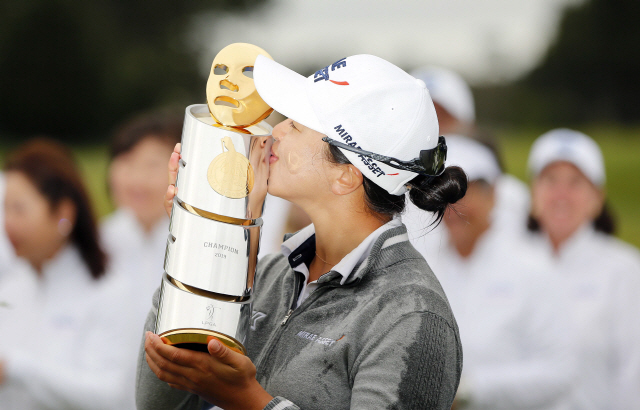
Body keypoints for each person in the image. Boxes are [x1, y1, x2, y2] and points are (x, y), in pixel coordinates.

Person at [136, 54, 468, 410]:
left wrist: (247, 399)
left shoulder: (413, 315)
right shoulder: (269, 274)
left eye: (295, 125)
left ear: (347, 175)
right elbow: (159, 401)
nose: (275, 131)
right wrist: (204, 228)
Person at [413, 136, 572, 409]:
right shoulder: (422, 266)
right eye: (446, 195)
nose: (454, 208)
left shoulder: (533, 267)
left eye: (466, 193)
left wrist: (468, 389)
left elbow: (559, 373)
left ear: (494, 195)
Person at [0, 139, 132, 410]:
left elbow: (111, 396)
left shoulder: (108, 291)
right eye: (5, 208)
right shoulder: (11, 288)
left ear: (63, 214)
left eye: (19, 209)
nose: (8, 223)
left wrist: (13, 368)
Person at [527, 128, 640, 410]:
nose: (561, 194)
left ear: (597, 198)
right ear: (533, 192)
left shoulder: (626, 271)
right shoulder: (509, 263)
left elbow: (632, 377)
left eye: (576, 182)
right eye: (550, 180)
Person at [405, 67, 529, 243]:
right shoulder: (386, 195)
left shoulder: (513, 198)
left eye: (442, 116)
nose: (433, 132)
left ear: (467, 123)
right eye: (422, 119)